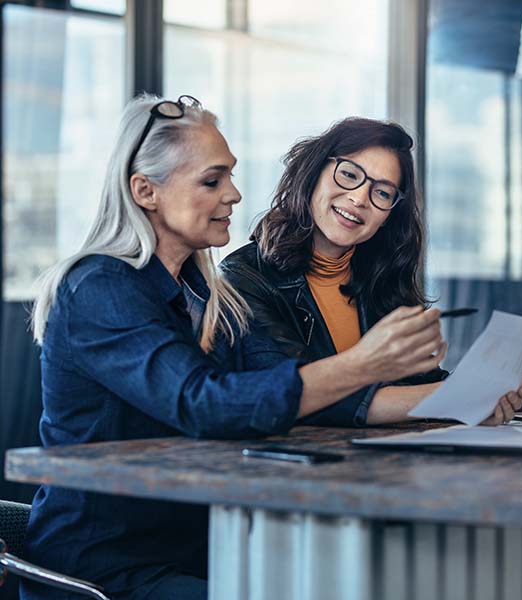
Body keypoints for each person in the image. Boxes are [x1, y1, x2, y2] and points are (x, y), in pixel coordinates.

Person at [23, 95, 460, 600]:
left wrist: (468, 400)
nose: (233, 194)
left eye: (229, 175)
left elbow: (289, 387)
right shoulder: (100, 287)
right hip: (110, 568)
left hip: (199, 549)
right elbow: (204, 403)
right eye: (212, 180)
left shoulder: (209, 295)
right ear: (146, 191)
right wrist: (364, 363)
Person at [221, 117, 522, 426]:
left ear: (389, 215)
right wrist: (469, 397)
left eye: (382, 192)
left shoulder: (378, 280)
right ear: (314, 172)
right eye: (349, 175)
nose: (359, 199)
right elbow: (304, 397)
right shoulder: (244, 279)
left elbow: (424, 387)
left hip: (381, 472)